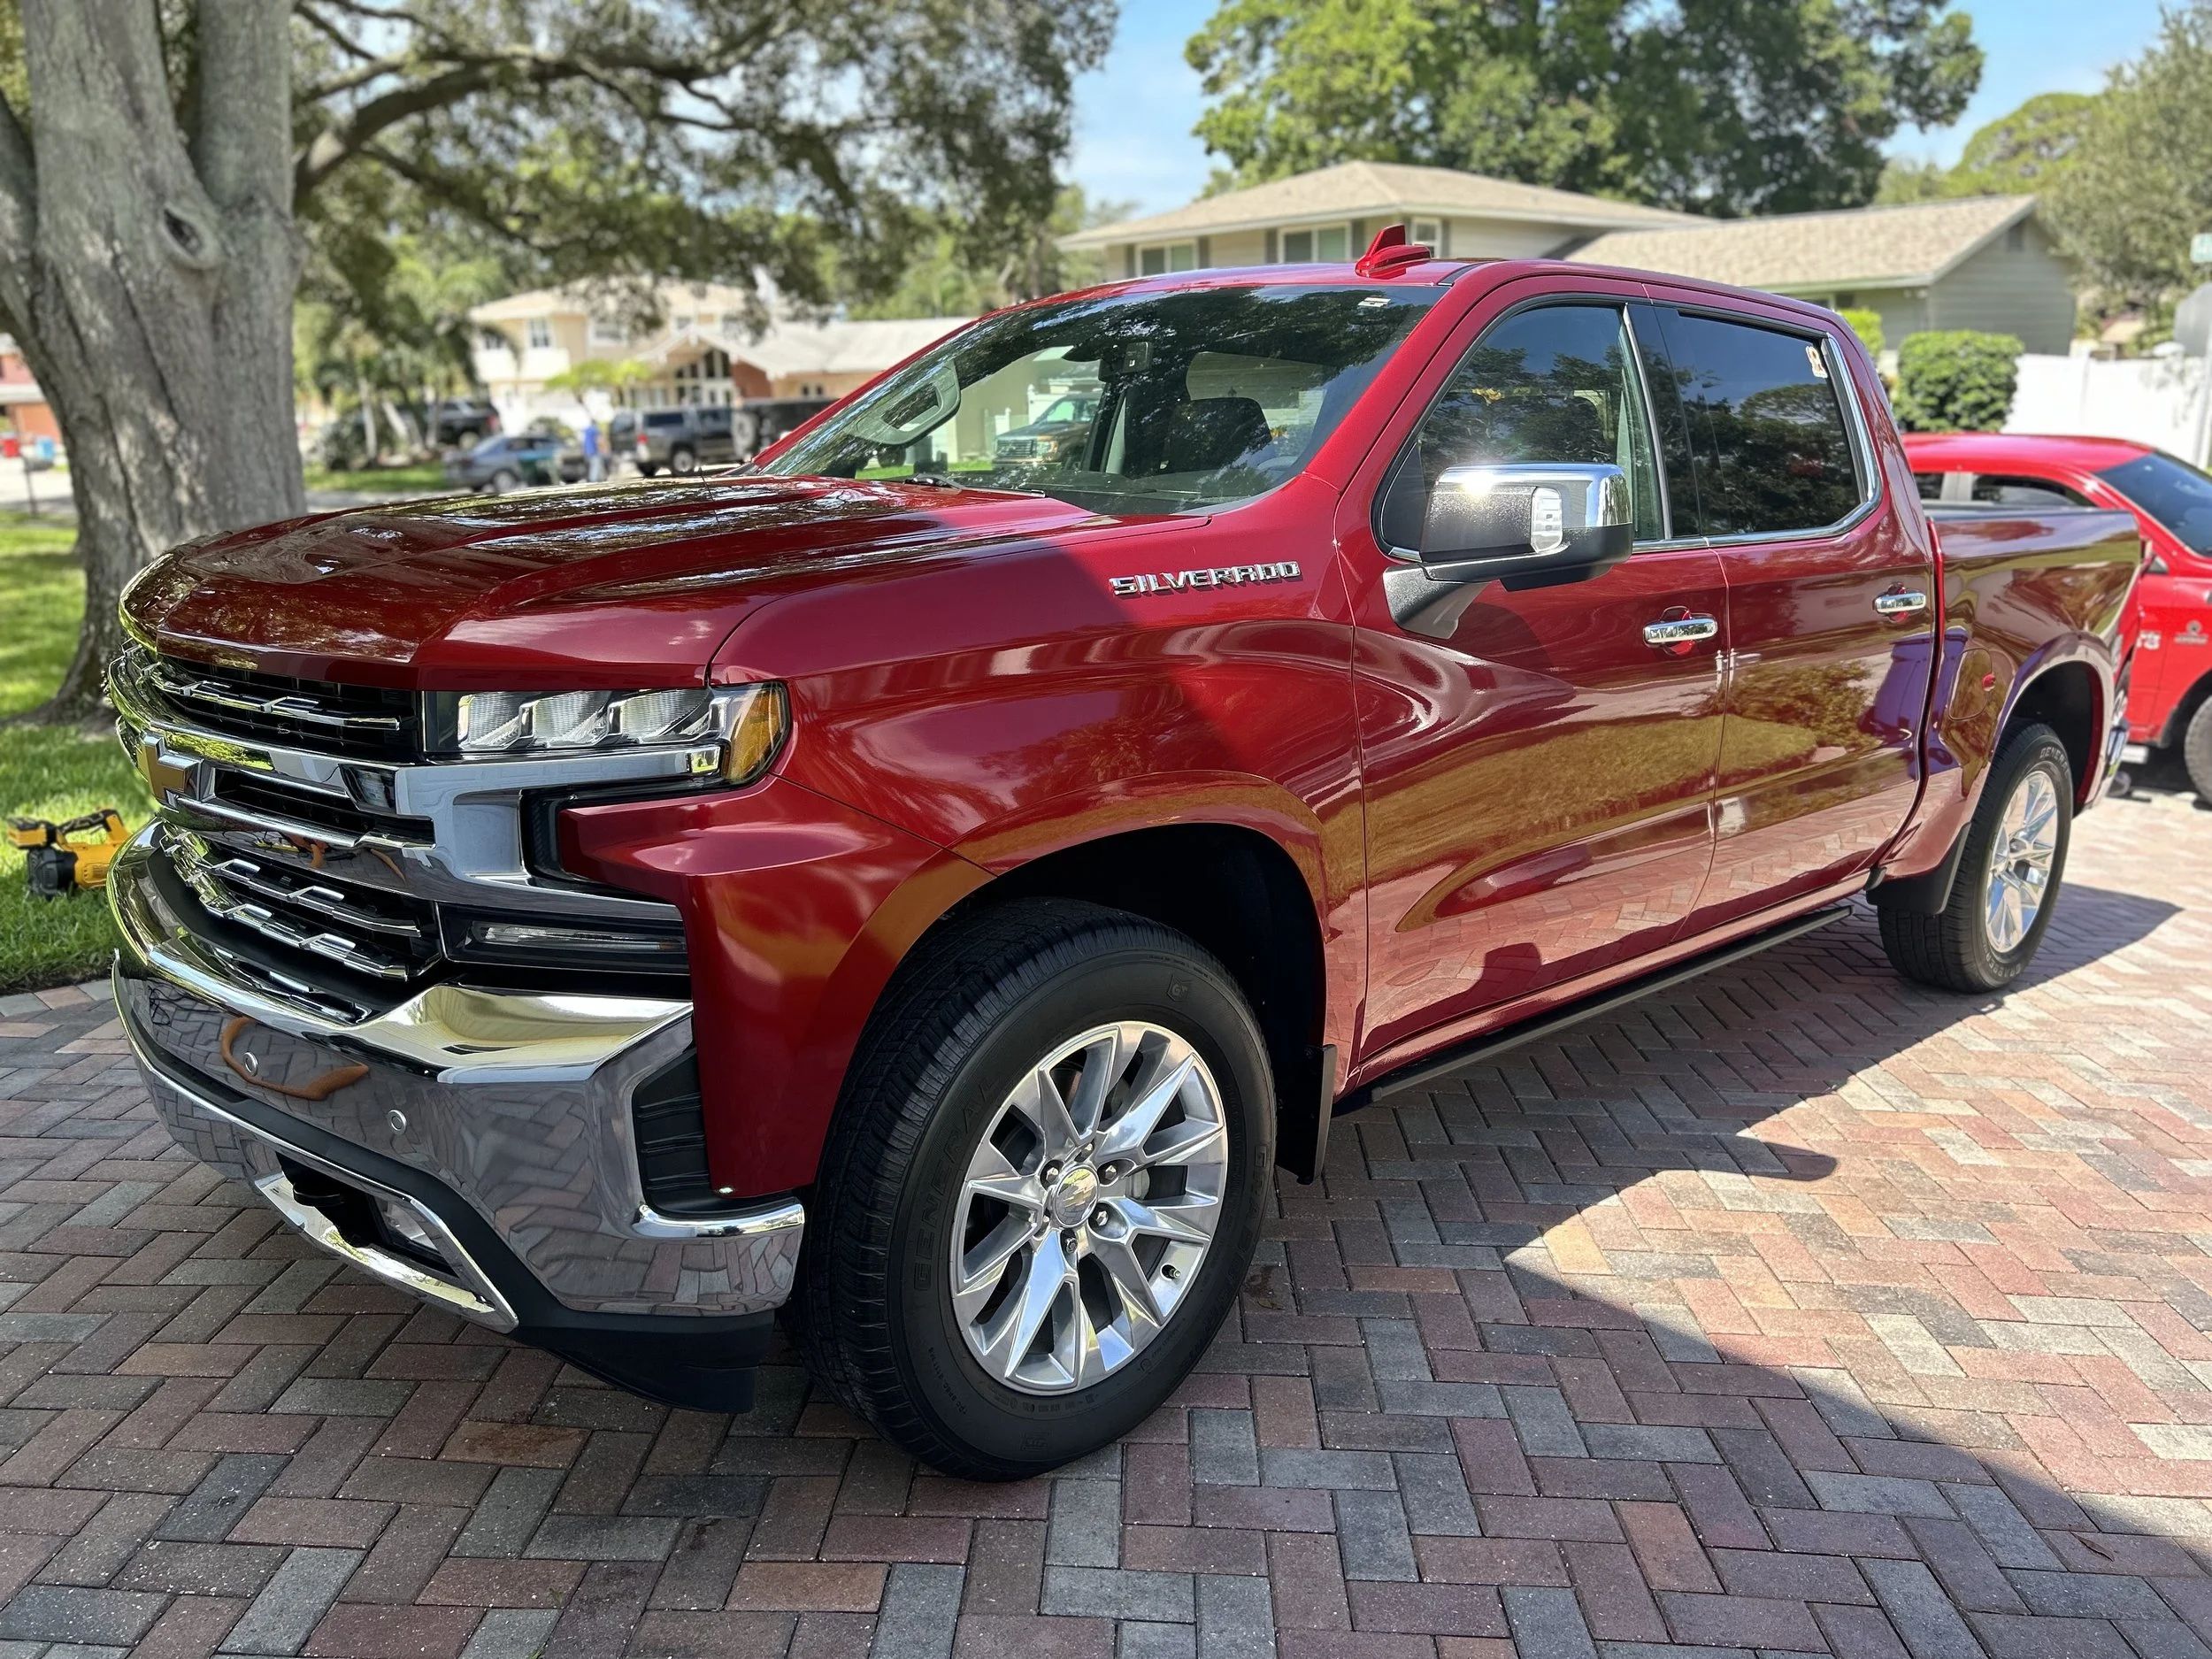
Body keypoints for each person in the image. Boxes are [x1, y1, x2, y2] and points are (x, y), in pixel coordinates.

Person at [582, 417, 604, 482]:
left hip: (588, 451)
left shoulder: (587, 430)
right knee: (595, 466)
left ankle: (601, 479)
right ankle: (594, 480)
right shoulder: (595, 429)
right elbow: (598, 440)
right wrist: (602, 449)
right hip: (594, 450)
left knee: (595, 465)